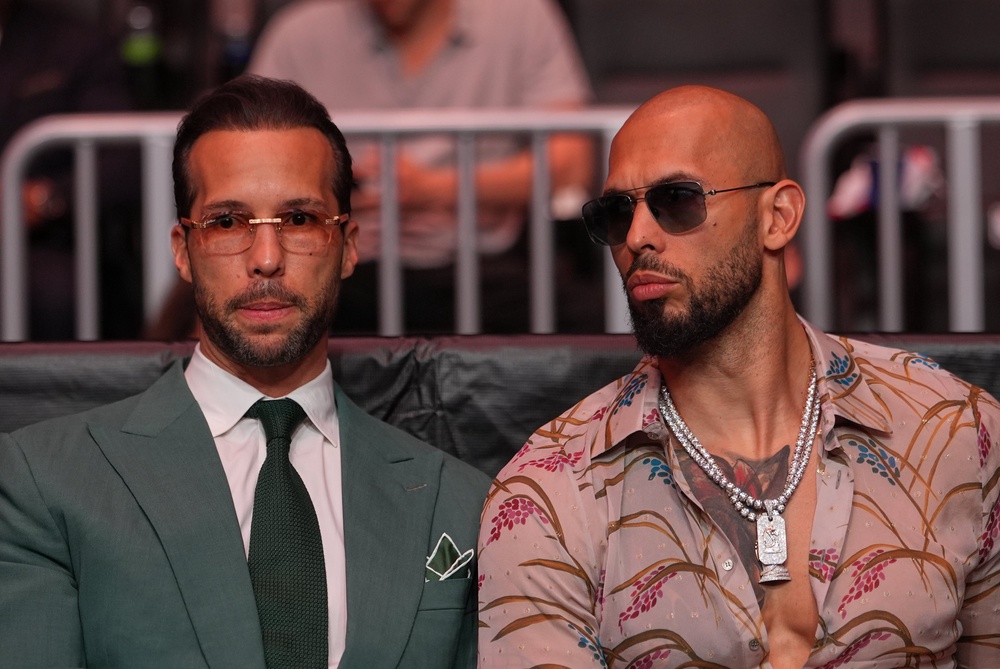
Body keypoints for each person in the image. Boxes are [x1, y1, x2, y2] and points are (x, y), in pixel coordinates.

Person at [477, 86, 1000, 667]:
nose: (637, 236)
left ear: (777, 217)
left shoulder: (956, 430)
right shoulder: (546, 491)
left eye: (677, 200)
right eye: (616, 213)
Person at [0, 75, 489, 668]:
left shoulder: (457, 501)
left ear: (348, 246)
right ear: (183, 250)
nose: (265, 259)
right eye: (228, 223)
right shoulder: (43, 482)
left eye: (299, 219)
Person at [247, 0, 595, 333]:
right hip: (338, 265)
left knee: (591, 332)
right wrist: (336, 191)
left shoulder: (521, 16)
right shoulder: (298, 34)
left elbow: (571, 163)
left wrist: (431, 189)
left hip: (483, 266)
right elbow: (249, 162)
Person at [0, 0, 140, 339]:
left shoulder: (75, 44)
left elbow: (121, 166)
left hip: (41, 246)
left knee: (56, 290)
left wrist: (40, 200)